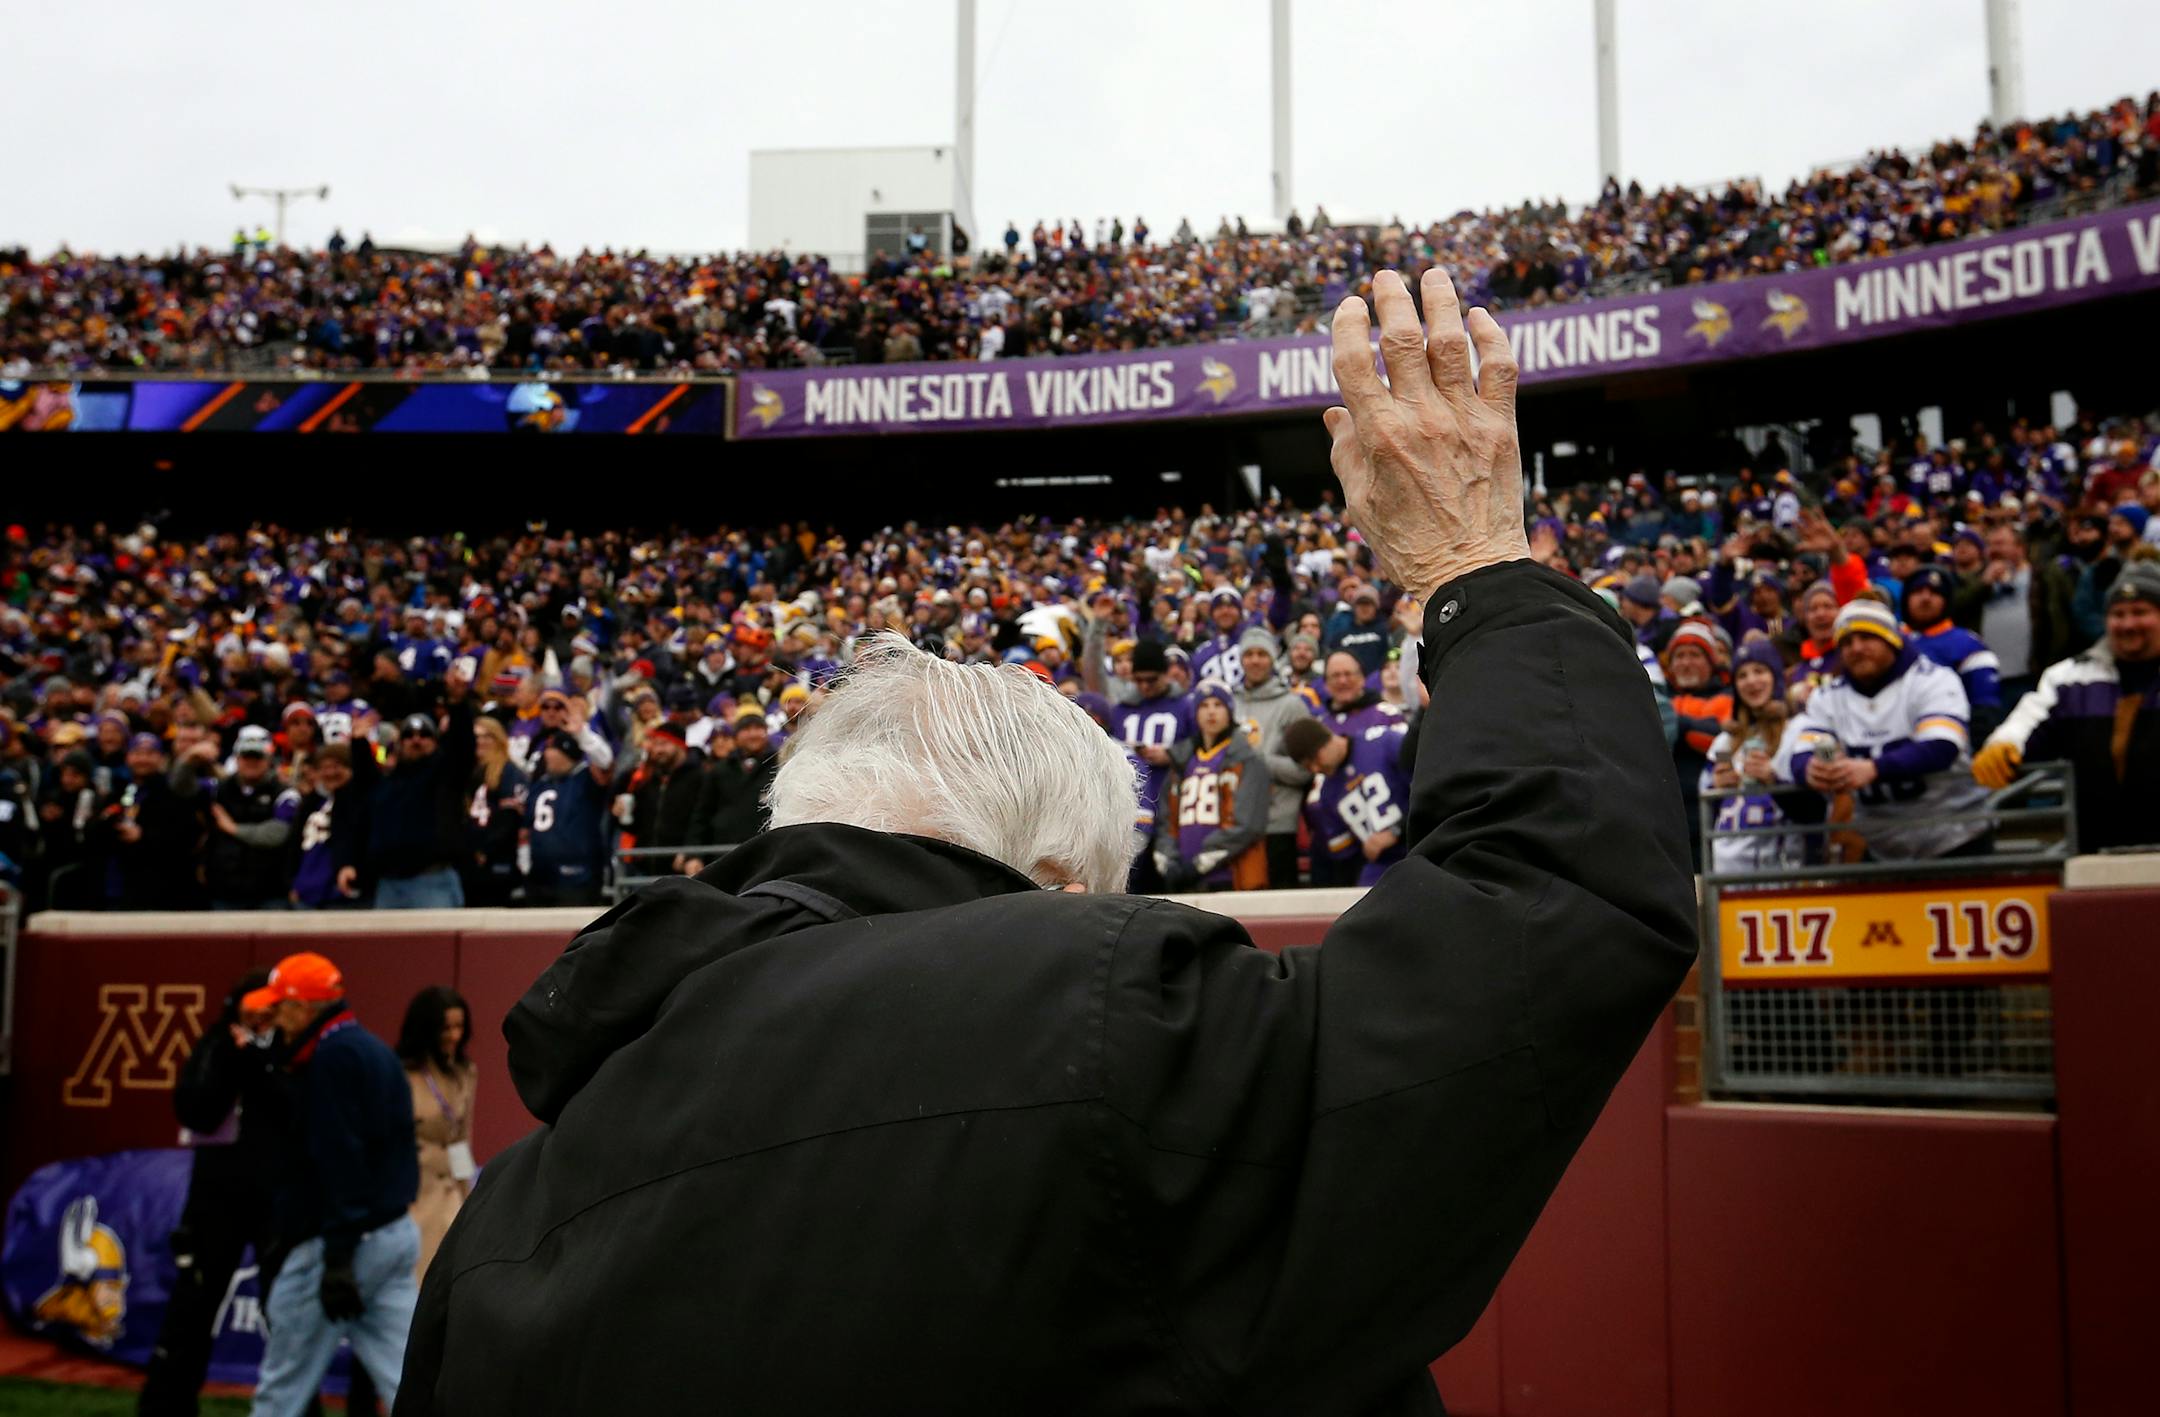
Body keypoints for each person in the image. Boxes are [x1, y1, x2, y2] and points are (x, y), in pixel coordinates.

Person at [399, 268, 1695, 1416]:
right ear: (1062, 887)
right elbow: (1554, 899)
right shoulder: (1105, 1025)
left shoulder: (506, 1219)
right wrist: (1472, 561)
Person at [245, 952, 419, 1417]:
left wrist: (338, 1256)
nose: (275, 1017)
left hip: (340, 1246)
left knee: (281, 1392)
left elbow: (341, 1160)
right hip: (393, 1233)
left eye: (281, 1006)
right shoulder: (368, 1047)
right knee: (413, 1383)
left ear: (303, 1009)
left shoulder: (334, 1057)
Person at [138, 971, 293, 1417]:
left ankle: (293, 1405)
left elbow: (295, 1109)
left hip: (274, 1201)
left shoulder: (290, 1053)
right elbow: (194, 1110)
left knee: (284, 1309)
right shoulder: (215, 1045)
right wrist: (231, 1058)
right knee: (192, 1306)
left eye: (269, 1009)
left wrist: (259, 1067)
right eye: (253, 1010)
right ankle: (167, 1404)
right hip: (214, 1201)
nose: (261, 1018)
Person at [1974, 561, 2160, 850]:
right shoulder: (2069, 678)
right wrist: (2003, 744)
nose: (2127, 624)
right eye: (2118, 614)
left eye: (2140, 613)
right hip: (2095, 852)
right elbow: (2028, 721)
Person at [1784, 600, 1987, 860]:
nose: (1856, 648)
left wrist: (1873, 769)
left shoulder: (1933, 679)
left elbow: (1941, 746)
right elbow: (1801, 748)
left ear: (1891, 640)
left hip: (1956, 836)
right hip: (1882, 846)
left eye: (1867, 637)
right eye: (1846, 642)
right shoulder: (1828, 696)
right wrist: (1811, 769)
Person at [365, 668, 476, 908]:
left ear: (436, 742)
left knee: (438, 947)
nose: (416, 739)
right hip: (387, 883)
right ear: (399, 743)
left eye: (425, 734)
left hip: (431, 880)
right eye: (409, 735)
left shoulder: (445, 774)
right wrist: (357, 744)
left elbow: (462, 748)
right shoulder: (387, 782)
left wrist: (457, 703)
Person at [1151, 680, 1270, 891]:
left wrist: (1200, 864)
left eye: (1218, 705)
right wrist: (1169, 861)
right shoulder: (1182, 762)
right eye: (1204, 706)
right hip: (1185, 877)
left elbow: (1248, 825)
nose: (1211, 712)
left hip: (1232, 877)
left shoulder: (1248, 760)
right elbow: (1167, 822)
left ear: (1230, 711)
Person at [1701, 638, 1805, 874]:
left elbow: (1817, 809)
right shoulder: (1724, 742)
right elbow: (1704, 813)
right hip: (1726, 879)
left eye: (1760, 671)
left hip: (1782, 875)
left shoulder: (1799, 731)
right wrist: (1716, 789)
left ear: (1776, 677)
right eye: (1742, 675)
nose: (1751, 681)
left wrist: (1773, 780)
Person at [394, 987, 477, 1275]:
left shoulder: (465, 1073)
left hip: (450, 1194)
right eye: (445, 1028)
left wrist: (468, 1199)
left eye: (459, 1027)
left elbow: (460, 1140)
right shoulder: (402, 1074)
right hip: (413, 1195)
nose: (454, 1035)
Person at [1282, 705, 1412, 886]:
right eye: (1307, 767)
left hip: (1421, 840)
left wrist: (1397, 830)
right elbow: (1345, 853)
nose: (1315, 769)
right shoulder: (1327, 793)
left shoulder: (1383, 742)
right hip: (1383, 863)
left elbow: (1429, 788)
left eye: (1315, 759)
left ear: (1328, 739)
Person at [1232, 628, 1318, 888]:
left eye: (1262, 654)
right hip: (1234, 826)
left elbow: (1307, 769)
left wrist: (1259, 762)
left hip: (1278, 825)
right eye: (1249, 654)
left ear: (1272, 659)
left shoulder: (1292, 705)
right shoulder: (1228, 704)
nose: (1255, 660)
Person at [1952, 524, 2075, 704]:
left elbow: (2062, 623)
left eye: (2001, 543)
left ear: (2020, 548)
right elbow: (1954, 611)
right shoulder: (1977, 580)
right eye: (1991, 545)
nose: (1994, 550)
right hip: (1986, 680)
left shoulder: (2043, 577)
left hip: (2031, 678)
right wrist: (1983, 584)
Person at [1901, 565, 2004, 740]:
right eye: (1917, 591)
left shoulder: (1968, 643)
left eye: (1935, 593)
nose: (1926, 598)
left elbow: (1985, 707)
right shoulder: (1891, 643)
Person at [206, 726, 301, 911]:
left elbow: (277, 834)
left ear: (268, 759)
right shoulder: (219, 789)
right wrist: (192, 757)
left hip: (271, 891)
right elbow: (181, 786)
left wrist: (232, 828)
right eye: (246, 756)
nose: (251, 762)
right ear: (237, 758)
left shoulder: (285, 793)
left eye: (257, 757)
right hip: (225, 890)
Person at [525, 727, 615, 908]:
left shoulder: (587, 779)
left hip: (578, 876)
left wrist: (581, 731)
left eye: (553, 749)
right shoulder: (540, 784)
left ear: (567, 754)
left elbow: (605, 762)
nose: (547, 754)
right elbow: (526, 826)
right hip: (539, 875)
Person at [691, 702, 780, 851]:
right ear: (736, 735)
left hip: (767, 850)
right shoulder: (719, 770)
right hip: (724, 851)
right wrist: (693, 853)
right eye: (746, 729)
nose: (753, 734)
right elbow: (702, 814)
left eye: (758, 728)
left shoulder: (779, 768)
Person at [463, 716, 528, 907]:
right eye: (475, 737)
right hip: (472, 864)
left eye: (486, 736)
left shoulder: (509, 772)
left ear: (498, 740)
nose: (480, 742)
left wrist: (485, 850)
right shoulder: (472, 772)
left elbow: (510, 819)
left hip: (499, 864)